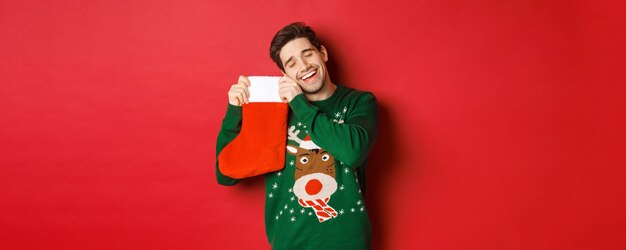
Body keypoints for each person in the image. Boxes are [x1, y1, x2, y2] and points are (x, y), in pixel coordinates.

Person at [215, 22, 378, 249]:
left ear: (323, 53)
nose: (303, 66)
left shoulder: (359, 102)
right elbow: (226, 175)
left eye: (308, 54)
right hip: (289, 243)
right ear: (285, 74)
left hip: (348, 242)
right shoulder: (274, 111)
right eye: (291, 64)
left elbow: (352, 152)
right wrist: (234, 111)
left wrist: (299, 103)